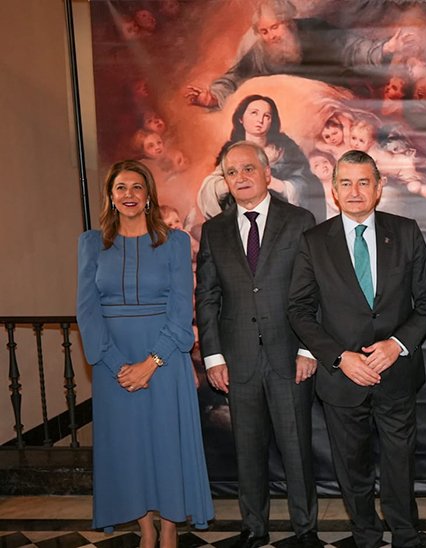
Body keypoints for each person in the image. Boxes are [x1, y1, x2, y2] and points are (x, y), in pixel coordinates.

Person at [288, 150, 426, 548]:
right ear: (333, 191)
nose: (355, 191)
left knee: (400, 462)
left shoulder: (406, 232)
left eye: (363, 182)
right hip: (342, 377)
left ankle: (405, 534)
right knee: (352, 466)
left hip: (397, 373)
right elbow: (299, 311)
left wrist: (397, 344)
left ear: (379, 187)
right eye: (346, 183)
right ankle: (366, 535)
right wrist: (339, 357)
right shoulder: (313, 242)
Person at [77, 160, 213, 545]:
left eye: (137, 187)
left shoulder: (175, 242)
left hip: (163, 360)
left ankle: (169, 525)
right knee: (127, 446)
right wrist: (120, 365)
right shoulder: (91, 244)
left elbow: (180, 310)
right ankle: (145, 527)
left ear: (149, 195)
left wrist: (151, 363)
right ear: (111, 196)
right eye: (121, 188)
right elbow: (87, 312)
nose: (129, 195)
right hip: (112, 364)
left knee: (166, 442)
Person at [195, 141, 321, 548]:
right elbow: (207, 296)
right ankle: (254, 527)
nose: (241, 178)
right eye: (232, 173)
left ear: (267, 173)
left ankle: (305, 529)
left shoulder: (300, 220)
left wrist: (308, 349)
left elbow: (313, 289)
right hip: (238, 359)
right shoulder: (214, 230)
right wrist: (213, 356)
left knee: (297, 447)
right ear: (225, 182)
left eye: (248, 169)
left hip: (290, 355)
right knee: (247, 449)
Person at [184, 0, 415, 109]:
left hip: (339, 100)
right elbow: (235, 78)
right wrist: (211, 97)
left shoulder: (313, 30)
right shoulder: (259, 53)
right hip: (292, 113)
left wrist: (387, 48)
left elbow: (351, 47)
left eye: (275, 28)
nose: (271, 36)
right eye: (264, 31)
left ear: (289, 22)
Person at [197, 94, 326, 222]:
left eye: (267, 116)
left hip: (280, 220)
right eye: (254, 113)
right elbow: (210, 188)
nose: (260, 120)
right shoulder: (232, 152)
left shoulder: (286, 149)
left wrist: (279, 185)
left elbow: (307, 184)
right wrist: (232, 183)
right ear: (241, 118)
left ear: (272, 122)